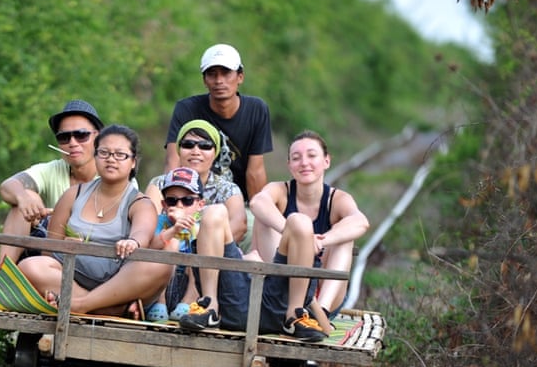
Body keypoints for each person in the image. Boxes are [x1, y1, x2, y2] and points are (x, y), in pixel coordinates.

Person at [179, 130, 370, 343]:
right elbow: (258, 202)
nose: (304, 162)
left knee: (338, 236)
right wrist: (293, 232)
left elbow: (360, 221)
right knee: (216, 212)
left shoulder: (337, 199)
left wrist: (320, 240)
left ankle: (306, 313)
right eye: (297, 158)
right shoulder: (279, 190)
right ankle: (209, 304)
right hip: (274, 282)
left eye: (312, 155)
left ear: (326, 160)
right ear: (289, 165)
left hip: (311, 295)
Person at [18, 125, 173, 318]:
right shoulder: (73, 195)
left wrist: (132, 242)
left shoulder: (140, 202)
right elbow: (49, 249)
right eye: (104, 153)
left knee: (160, 265)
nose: (111, 159)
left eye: (120, 155)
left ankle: (80, 305)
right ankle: (107, 309)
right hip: (71, 276)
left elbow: (142, 233)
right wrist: (64, 244)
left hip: (120, 281)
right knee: (29, 266)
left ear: (133, 162)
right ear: (96, 156)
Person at [145, 119, 246, 321]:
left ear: (215, 152)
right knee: (170, 244)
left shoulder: (227, 188)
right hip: (168, 250)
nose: (196, 150)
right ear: (179, 149)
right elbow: (149, 221)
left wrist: (204, 238)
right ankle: (161, 303)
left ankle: (196, 301)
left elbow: (239, 226)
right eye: (188, 144)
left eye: (205, 145)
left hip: (211, 257)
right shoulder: (160, 183)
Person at [0, 100, 103, 264]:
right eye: (64, 137)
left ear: (98, 137)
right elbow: (7, 186)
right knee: (26, 196)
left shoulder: (114, 173)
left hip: (94, 257)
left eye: (81, 135)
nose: (72, 143)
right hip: (50, 252)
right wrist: (24, 199)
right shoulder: (52, 169)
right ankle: (2, 273)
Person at [164, 44, 273, 204]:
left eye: (226, 73)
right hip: (192, 198)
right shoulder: (187, 109)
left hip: (239, 198)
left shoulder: (256, 109)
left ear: (240, 77)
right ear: (204, 80)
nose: (219, 80)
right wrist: (176, 205)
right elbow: (174, 161)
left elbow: (255, 171)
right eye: (212, 74)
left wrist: (259, 213)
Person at [145, 167, 207, 322]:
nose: (179, 205)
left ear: (200, 204)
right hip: (160, 284)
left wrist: (192, 227)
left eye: (187, 201)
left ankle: (188, 302)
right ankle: (160, 303)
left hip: (189, 286)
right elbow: (151, 246)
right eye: (172, 200)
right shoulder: (159, 221)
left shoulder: (202, 226)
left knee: (199, 248)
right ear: (164, 204)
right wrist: (174, 230)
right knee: (171, 243)